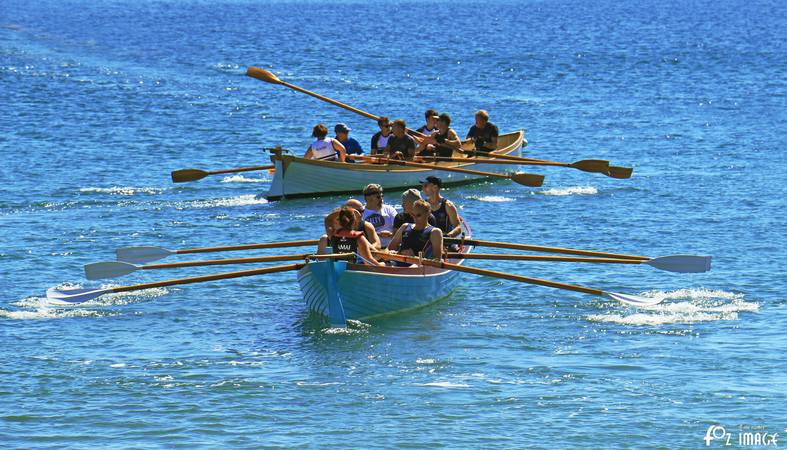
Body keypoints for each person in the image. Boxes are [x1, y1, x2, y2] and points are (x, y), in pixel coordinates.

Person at [317, 207, 383, 266]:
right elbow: (369, 261)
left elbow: (327, 220)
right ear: (354, 222)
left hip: (339, 269)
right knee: (384, 264)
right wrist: (383, 268)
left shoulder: (332, 235)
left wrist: (342, 212)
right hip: (355, 269)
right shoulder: (359, 237)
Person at [387, 199, 444, 266]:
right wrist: (392, 253)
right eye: (413, 215)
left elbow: (437, 260)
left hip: (417, 265)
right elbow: (389, 249)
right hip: (397, 262)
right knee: (377, 265)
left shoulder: (435, 232)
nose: (415, 218)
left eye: (418, 215)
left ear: (428, 213)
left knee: (412, 267)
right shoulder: (405, 226)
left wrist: (414, 257)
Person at [361, 183, 398, 248]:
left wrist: (390, 234)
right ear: (368, 198)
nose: (381, 199)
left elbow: (400, 230)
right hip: (371, 249)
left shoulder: (390, 209)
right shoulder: (361, 213)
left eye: (382, 196)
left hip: (390, 248)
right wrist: (375, 234)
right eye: (378, 197)